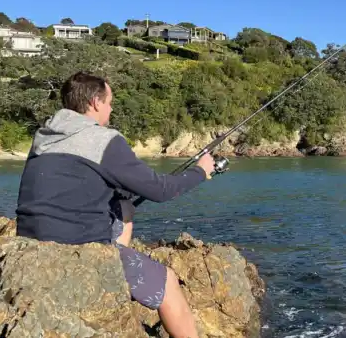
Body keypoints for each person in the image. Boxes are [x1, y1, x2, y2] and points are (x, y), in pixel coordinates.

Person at [16, 71, 215, 338]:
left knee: (124, 206)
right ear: (96, 103)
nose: (111, 110)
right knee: (168, 282)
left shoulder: (43, 136)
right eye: (109, 103)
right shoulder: (102, 140)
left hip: (27, 244)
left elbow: (74, 178)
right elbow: (161, 190)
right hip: (75, 249)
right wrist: (201, 171)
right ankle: (110, 271)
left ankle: (116, 272)